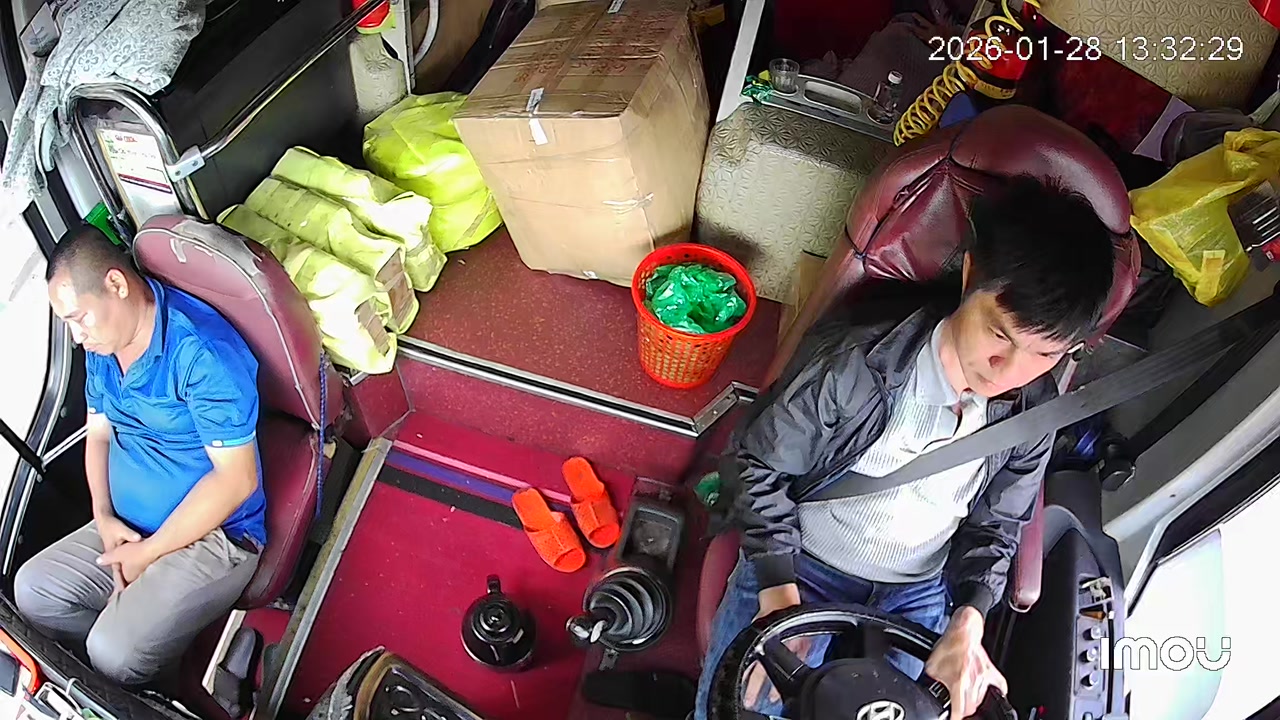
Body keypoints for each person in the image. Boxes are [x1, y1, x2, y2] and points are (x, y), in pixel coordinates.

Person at [696, 176, 1118, 720]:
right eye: (999, 335)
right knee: (737, 709)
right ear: (970, 275)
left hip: (915, 592)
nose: (1008, 371)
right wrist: (778, 588)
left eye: (1044, 355)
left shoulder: (1033, 413)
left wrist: (970, 616)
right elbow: (756, 462)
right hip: (802, 563)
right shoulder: (857, 362)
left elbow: (996, 526)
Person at [15, 225, 266, 686]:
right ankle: (150, 661)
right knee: (34, 593)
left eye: (79, 318)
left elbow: (237, 481)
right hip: (128, 528)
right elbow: (98, 436)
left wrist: (148, 553)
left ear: (115, 284)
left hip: (217, 535)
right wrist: (103, 516)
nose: (76, 337)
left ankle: (156, 671)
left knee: (112, 654)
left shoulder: (199, 353)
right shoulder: (103, 348)